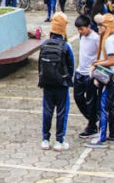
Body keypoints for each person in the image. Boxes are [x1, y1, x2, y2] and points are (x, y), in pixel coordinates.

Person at [38, 13, 75, 151]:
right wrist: (68, 80)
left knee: (47, 111)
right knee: (61, 112)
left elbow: (40, 66)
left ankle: (45, 139)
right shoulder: (66, 46)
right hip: (62, 85)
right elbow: (72, 65)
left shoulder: (44, 44)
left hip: (47, 84)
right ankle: (59, 140)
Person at [87, 13, 114, 149]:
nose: (98, 28)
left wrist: (96, 63)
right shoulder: (109, 39)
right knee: (110, 106)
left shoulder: (110, 40)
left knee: (104, 106)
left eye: (101, 26)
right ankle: (112, 133)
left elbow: (111, 61)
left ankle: (102, 138)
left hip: (110, 79)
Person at [72, 14, 100, 140]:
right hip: (79, 72)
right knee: (78, 97)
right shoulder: (81, 36)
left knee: (91, 100)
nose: (80, 31)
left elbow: (100, 56)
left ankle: (92, 125)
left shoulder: (96, 38)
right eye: (78, 29)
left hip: (90, 74)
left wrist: (95, 70)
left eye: (82, 29)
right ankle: (94, 119)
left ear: (89, 27)